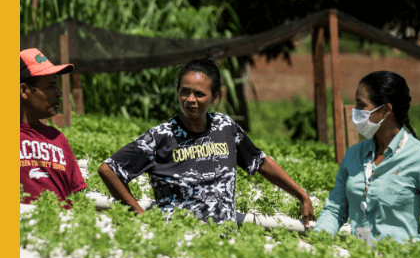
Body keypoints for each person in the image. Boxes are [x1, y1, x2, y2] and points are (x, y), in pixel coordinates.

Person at [98, 57, 314, 225]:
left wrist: (302, 195)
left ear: (215, 97)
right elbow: (109, 170)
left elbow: (260, 162)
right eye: (185, 92)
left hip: (223, 242)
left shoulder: (226, 128)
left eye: (199, 94)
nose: (190, 100)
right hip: (179, 241)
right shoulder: (160, 136)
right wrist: (140, 217)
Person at [314, 71, 420, 250]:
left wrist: (405, 253)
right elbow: (335, 209)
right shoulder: (354, 155)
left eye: (362, 105)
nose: (356, 111)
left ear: (385, 110)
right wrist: (318, 243)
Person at [20, 48, 88, 209]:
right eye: (50, 86)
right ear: (24, 91)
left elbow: (77, 196)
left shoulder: (57, 138)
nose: (59, 93)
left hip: (64, 229)